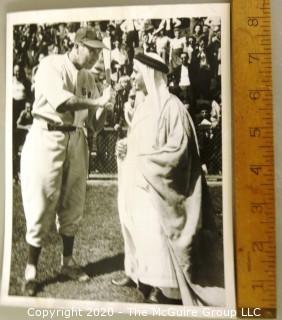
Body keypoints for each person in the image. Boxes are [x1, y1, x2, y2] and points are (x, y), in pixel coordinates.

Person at [113, 52, 224, 306]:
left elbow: (179, 150)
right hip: (138, 182)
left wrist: (147, 163)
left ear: (150, 74)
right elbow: (137, 141)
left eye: (136, 72)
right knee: (133, 225)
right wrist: (124, 146)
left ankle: (162, 288)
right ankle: (139, 275)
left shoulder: (171, 106)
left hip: (157, 186)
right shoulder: (144, 105)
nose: (132, 77)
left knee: (154, 232)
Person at [20, 27, 115, 297]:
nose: (97, 55)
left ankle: (67, 262)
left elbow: (95, 126)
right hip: (47, 136)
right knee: (42, 201)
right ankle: (31, 269)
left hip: (76, 139)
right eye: (92, 49)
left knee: (73, 201)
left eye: (99, 50)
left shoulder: (89, 77)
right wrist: (97, 100)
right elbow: (63, 104)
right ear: (77, 45)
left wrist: (105, 107)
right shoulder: (50, 65)